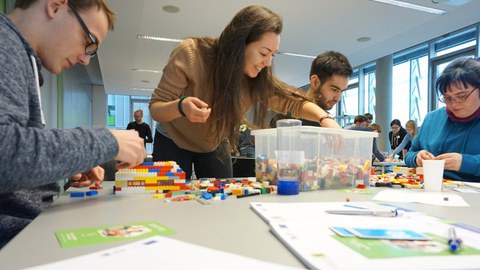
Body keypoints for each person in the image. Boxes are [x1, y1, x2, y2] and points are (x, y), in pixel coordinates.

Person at [0, 0, 146, 249]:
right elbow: (5, 154)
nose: (85, 59)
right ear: (56, 6)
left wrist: (68, 164)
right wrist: (105, 140)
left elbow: (20, 152)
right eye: (89, 42)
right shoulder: (5, 45)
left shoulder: (23, 58)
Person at [149, 5, 339, 180]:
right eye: (264, 53)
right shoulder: (191, 53)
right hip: (171, 139)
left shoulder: (257, 80)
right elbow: (156, 108)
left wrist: (325, 119)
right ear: (239, 43)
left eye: (273, 55)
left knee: (223, 205)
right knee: (169, 201)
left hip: (214, 144)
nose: (268, 63)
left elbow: (293, 102)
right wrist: (181, 106)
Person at [405, 57, 480, 182]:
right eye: (447, 98)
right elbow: (410, 154)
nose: (454, 104)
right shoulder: (432, 119)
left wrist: (465, 162)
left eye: (462, 96)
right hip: (431, 189)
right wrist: (417, 157)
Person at [269, 50, 353, 127]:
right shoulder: (286, 119)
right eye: (334, 89)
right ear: (315, 82)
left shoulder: (329, 122)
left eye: (341, 91)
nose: (338, 98)